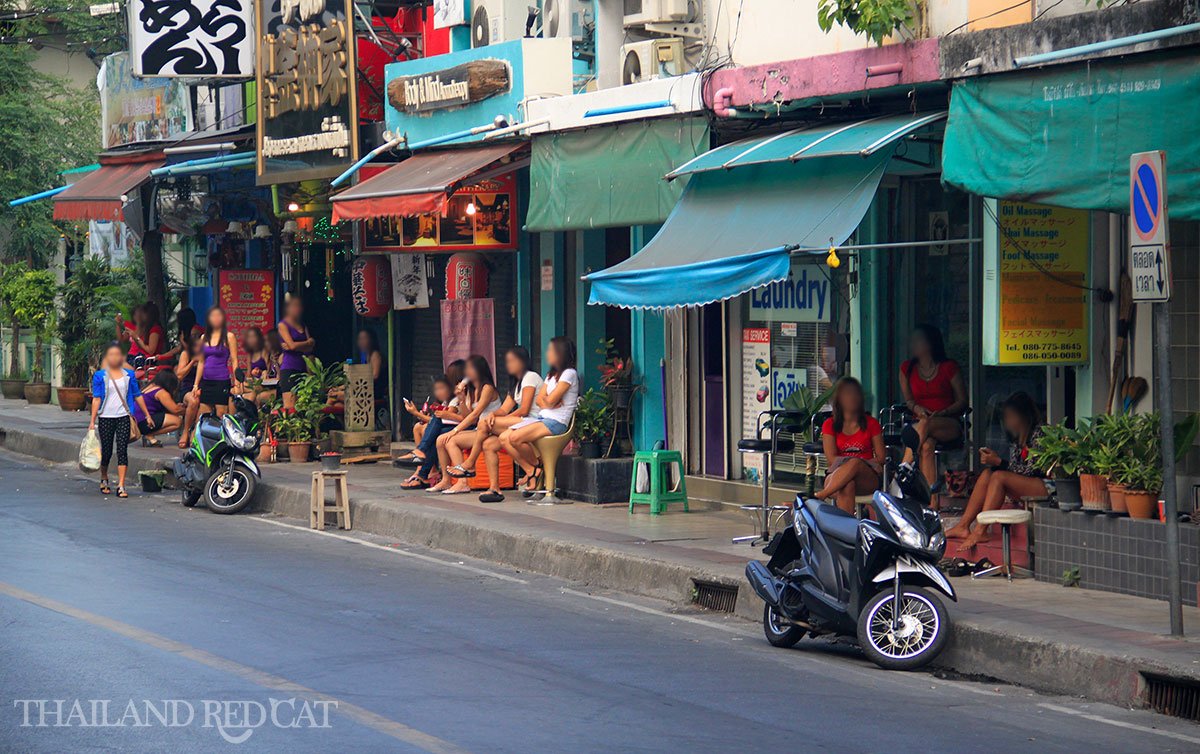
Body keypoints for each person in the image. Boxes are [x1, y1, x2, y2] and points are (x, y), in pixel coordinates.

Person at [945, 392, 1049, 551]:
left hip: (1045, 487)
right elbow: (1015, 468)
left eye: (1010, 417)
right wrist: (995, 462)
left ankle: (980, 530)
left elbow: (1033, 470)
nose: (1007, 422)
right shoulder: (1018, 437)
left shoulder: (1040, 433)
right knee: (988, 474)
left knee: (999, 476)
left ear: (1022, 416)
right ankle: (963, 525)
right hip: (1027, 484)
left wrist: (1000, 462)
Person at [446, 347, 541, 503]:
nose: (508, 365)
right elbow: (504, 409)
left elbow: (524, 409)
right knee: (489, 444)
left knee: (484, 423)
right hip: (522, 423)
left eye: (512, 361)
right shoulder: (516, 383)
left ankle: (470, 464)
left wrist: (501, 422)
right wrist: (494, 415)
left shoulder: (530, 377)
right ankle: (495, 488)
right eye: (507, 361)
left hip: (534, 422)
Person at [500, 337, 579, 494]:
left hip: (556, 422)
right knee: (504, 437)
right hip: (541, 419)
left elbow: (549, 400)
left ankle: (537, 467)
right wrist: (548, 402)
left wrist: (548, 401)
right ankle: (533, 469)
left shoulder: (569, 373)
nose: (547, 353)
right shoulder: (551, 375)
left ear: (560, 353)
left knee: (515, 438)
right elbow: (541, 399)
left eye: (550, 350)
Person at [899, 324, 967, 495]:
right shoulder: (907, 369)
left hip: (948, 422)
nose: (912, 344)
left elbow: (962, 401)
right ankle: (931, 501)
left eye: (917, 340)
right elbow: (908, 400)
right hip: (920, 422)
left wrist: (943, 412)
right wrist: (917, 407)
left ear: (930, 344)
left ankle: (903, 469)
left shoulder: (948, 367)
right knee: (927, 446)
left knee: (926, 424)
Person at [429, 355, 501, 494]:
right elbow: (469, 417)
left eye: (470, 369)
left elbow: (475, 415)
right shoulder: (471, 391)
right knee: (440, 440)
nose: (466, 372)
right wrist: (461, 399)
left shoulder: (488, 388)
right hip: (479, 428)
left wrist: (454, 431)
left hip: (491, 429)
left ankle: (463, 482)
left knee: (451, 441)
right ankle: (446, 480)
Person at [89, 342, 154, 498]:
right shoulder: (100, 376)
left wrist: (147, 414)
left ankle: (121, 485)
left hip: (123, 416)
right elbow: (96, 399)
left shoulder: (128, 376)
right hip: (105, 417)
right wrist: (92, 421)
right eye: (111, 355)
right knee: (106, 451)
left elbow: (137, 394)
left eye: (117, 354)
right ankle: (104, 478)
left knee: (122, 450)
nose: (114, 357)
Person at [813, 378, 886, 514]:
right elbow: (831, 459)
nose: (852, 397)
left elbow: (881, 458)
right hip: (836, 475)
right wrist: (851, 464)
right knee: (848, 484)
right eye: (847, 394)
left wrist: (860, 463)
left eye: (855, 393)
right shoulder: (829, 424)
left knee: (855, 463)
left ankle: (822, 495)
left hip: (867, 477)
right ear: (839, 399)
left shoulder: (872, 423)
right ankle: (847, 532)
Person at [400, 361, 468, 490]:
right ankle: (424, 469)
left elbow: (464, 417)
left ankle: (422, 467)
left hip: (464, 427)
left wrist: (416, 414)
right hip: (456, 425)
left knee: (436, 432)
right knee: (422, 427)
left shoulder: (459, 396)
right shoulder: (453, 397)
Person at [189, 306, 240, 419]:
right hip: (206, 381)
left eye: (219, 315)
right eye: (213, 316)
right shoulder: (204, 337)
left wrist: (236, 382)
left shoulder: (229, 337)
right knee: (202, 416)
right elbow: (201, 362)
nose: (216, 318)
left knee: (221, 414)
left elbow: (234, 360)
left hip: (221, 381)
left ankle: (221, 436)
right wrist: (196, 384)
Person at [277, 297, 314, 411]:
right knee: (290, 407)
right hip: (289, 368)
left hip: (303, 368)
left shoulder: (303, 326)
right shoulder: (283, 325)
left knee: (302, 405)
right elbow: (292, 345)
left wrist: (296, 346)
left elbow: (310, 348)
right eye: (294, 306)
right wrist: (306, 343)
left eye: (298, 306)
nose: (297, 309)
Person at [132, 371, 184, 447]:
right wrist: (187, 409)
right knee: (177, 422)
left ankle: (149, 435)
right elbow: (175, 410)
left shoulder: (149, 387)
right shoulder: (161, 392)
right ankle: (149, 434)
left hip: (138, 420)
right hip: (145, 421)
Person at [175, 336, 203, 448]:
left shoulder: (206, 356)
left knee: (204, 403)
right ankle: (186, 432)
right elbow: (179, 375)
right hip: (187, 389)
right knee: (193, 400)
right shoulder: (186, 354)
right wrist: (192, 362)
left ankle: (195, 432)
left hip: (203, 388)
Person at [238, 327, 268, 399]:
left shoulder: (264, 351)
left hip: (264, 383)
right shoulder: (250, 354)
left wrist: (260, 372)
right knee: (236, 388)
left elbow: (270, 371)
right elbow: (248, 374)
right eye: (249, 337)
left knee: (252, 392)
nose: (251, 340)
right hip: (253, 382)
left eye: (253, 337)